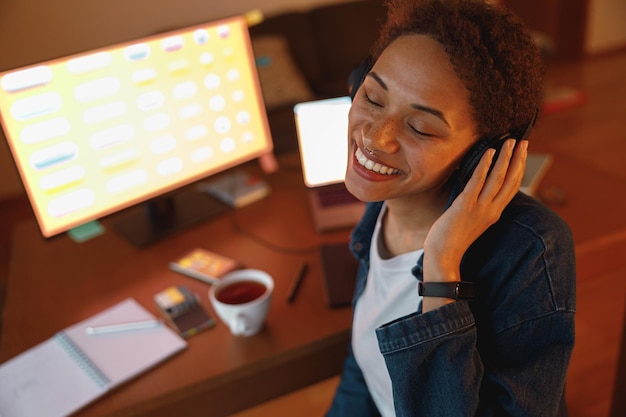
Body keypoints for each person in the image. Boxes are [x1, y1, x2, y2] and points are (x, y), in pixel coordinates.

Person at [326, 0, 576, 416]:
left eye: (419, 126)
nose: (375, 137)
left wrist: (442, 266)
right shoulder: (383, 205)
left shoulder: (532, 250)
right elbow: (363, 365)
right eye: (372, 96)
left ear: (484, 155)